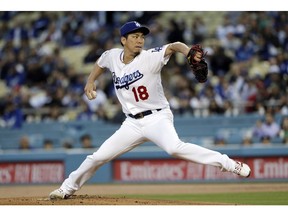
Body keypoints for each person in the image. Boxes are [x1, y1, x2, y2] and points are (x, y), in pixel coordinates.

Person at [49, 21, 251, 199]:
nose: (140, 40)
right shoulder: (112, 56)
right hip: (132, 123)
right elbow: (100, 62)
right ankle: (66, 189)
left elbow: (173, 46)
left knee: (174, 148)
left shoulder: (150, 57)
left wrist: (188, 51)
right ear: (123, 40)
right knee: (98, 157)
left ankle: (230, 164)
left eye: (142, 37)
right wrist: (90, 81)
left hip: (157, 118)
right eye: (135, 37)